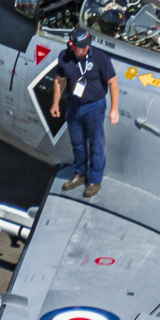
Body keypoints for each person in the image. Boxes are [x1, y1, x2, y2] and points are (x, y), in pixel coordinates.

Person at [50, 27, 119, 197]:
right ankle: (79, 173)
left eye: (87, 44)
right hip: (74, 105)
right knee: (77, 142)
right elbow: (60, 80)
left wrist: (114, 109)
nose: (86, 48)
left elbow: (113, 83)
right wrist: (55, 103)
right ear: (72, 46)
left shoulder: (100, 58)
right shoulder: (64, 58)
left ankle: (95, 179)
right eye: (82, 46)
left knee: (96, 143)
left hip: (94, 106)